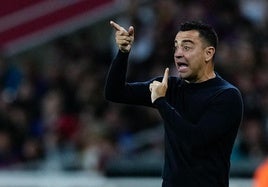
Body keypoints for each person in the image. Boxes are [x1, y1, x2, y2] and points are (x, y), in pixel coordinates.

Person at [105, 20, 244, 187]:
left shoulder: (226, 95)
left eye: (186, 47)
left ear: (208, 53)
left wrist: (161, 102)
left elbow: (195, 140)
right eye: (176, 47)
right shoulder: (170, 87)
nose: (178, 53)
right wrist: (122, 53)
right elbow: (114, 92)